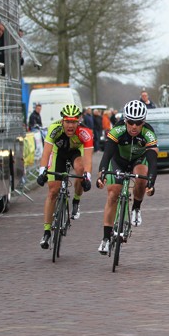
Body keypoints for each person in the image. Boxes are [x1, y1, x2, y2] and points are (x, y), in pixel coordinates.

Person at [96, 100, 157, 254]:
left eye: (138, 123)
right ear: (125, 120)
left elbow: (152, 161)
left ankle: (136, 207)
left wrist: (151, 181)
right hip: (119, 161)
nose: (134, 126)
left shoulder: (149, 133)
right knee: (113, 194)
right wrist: (102, 173)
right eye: (130, 122)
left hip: (138, 160)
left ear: (143, 122)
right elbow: (107, 154)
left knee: (142, 177)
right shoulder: (117, 130)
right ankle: (105, 239)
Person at [36, 104, 94, 249]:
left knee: (80, 169)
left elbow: (88, 160)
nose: (70, 125)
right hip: (58, 154)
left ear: (78, 121)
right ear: (62, 121)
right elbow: (46, 153)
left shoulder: (85, 132)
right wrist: (42, 172)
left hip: (76, 153)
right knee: (52, 191)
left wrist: (87, 177)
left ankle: (76, 201)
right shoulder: (54, 129)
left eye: (74, 122)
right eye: (67, 121)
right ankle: (47, 231)